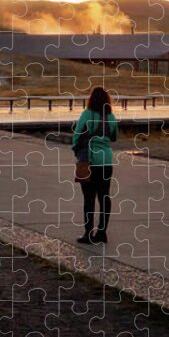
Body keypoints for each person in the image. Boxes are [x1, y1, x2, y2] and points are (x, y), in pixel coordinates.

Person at [71, 86, 118, 244]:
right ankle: (102, 232)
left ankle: (88, 233)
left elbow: (77, 136)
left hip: (90, 161)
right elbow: (114, 137)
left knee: (89, 198)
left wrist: (77, 151)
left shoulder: (87, 114)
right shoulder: (111, 117)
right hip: (107, 161)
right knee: (104, 196)